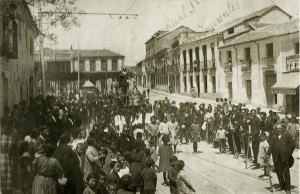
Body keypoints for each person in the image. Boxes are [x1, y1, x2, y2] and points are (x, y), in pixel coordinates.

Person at [267, 123, 295, 194]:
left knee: (286, 173)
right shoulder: (273, 136)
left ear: (282, 128)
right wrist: (268, 154)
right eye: (277, 128)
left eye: (280, 128)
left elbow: (292, 145)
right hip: (276, 157)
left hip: (285, 157)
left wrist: (289, 153)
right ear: (275, 129)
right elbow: (271, 146)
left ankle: (288, 188)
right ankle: (282, 185)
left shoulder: (287, 135)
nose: (278, 129)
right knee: (278, 172)